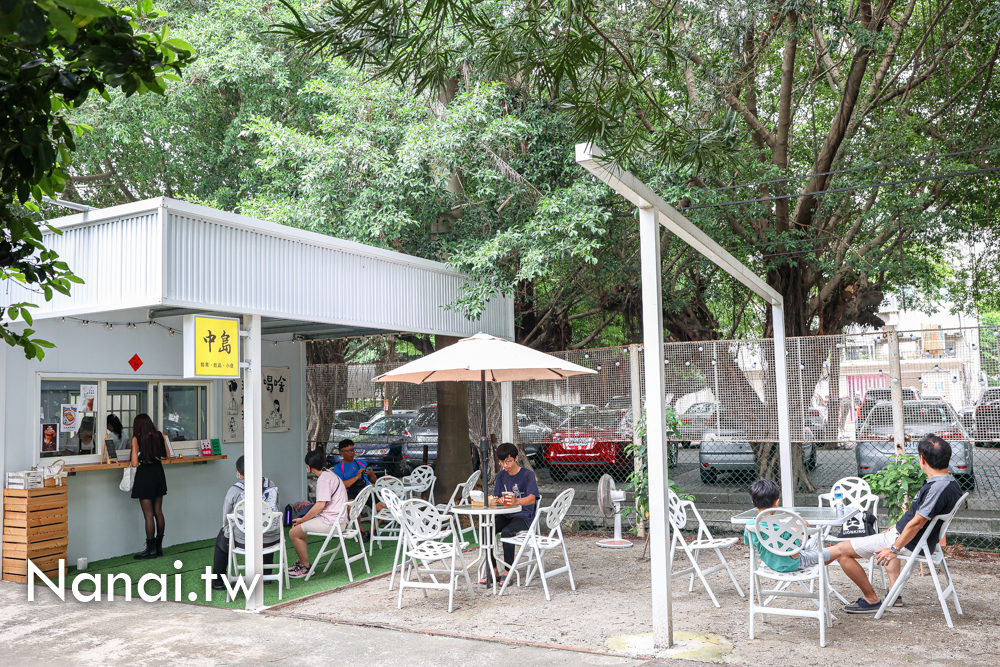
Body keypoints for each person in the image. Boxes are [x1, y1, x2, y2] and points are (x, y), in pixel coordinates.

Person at [825, 435, 964, 613]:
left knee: (841, 551)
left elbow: (917, 523)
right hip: (911, 538)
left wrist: (893, 549)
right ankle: (894, 592)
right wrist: (898, 527)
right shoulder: (950, 483)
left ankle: (870, 599)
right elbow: (917, 517)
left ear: (922, 459)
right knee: (877, 539)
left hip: (906, 541)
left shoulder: (937, 488)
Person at [210, 456, 281, 590]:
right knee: (265, 527)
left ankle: (218, 580)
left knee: (222, 537)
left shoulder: (234, 491)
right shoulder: (271, 485)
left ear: (240, 474)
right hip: (272, 539)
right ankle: (266, 575)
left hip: (243, 540)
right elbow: (275, 509)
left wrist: (225, 529)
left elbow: (226, 518)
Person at [744, 478, 831, 573]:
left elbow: (750, 543)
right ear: (777, 502)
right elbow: (795, 555)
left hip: (771, 564)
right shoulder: (786, 530)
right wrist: (802, 526)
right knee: (841, 550)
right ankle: (825, 584)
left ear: (752, 501)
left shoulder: (750, 525)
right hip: (795, 564)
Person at [484, 442, 540, 585]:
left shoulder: (527, 475)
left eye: (508, 461)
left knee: (507, 532)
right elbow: (496, 498)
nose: (505, 465)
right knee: (487, 529)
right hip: (506, 513)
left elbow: (532, 499)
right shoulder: (501, 475)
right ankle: (493, 569)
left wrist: (517, 501)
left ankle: (508, 570)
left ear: (516, 458)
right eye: (502, 461)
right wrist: (499, 500)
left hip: (524, 515)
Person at [288, 449, 349, 578]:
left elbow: (320, 506)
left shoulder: (323, 480)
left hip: (332, 522)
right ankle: (302, 562)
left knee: (293, 532)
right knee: (298, 529)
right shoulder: (330, 474)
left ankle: (305, 567)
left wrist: (303, 519)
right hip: (339, 520)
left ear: (308, 467)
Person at [130, 414, 172, 560]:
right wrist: (164, 439)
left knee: (148, 514)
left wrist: (134, 448)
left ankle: (150, 549)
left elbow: (134, 463)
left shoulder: (137, 439)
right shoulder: (159, 435)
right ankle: (159, 546)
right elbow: (165, 455)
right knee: (158, 511)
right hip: (158, 473)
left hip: (145, 475)